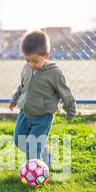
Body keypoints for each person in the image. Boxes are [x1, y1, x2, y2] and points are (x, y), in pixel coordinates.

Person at [9, 30, 76, 167]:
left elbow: (65, 92)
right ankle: (45, 152)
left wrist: (70, 110)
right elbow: (22, 86)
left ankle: (36, 173)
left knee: (32, 148)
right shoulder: (26, 68)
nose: (31, 64)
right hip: (25, 113)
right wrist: (14, 99)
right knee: (19, 142)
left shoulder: (54, 73)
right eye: (27, 60)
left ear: (46, 55)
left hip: (42, 117)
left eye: (35, 61)